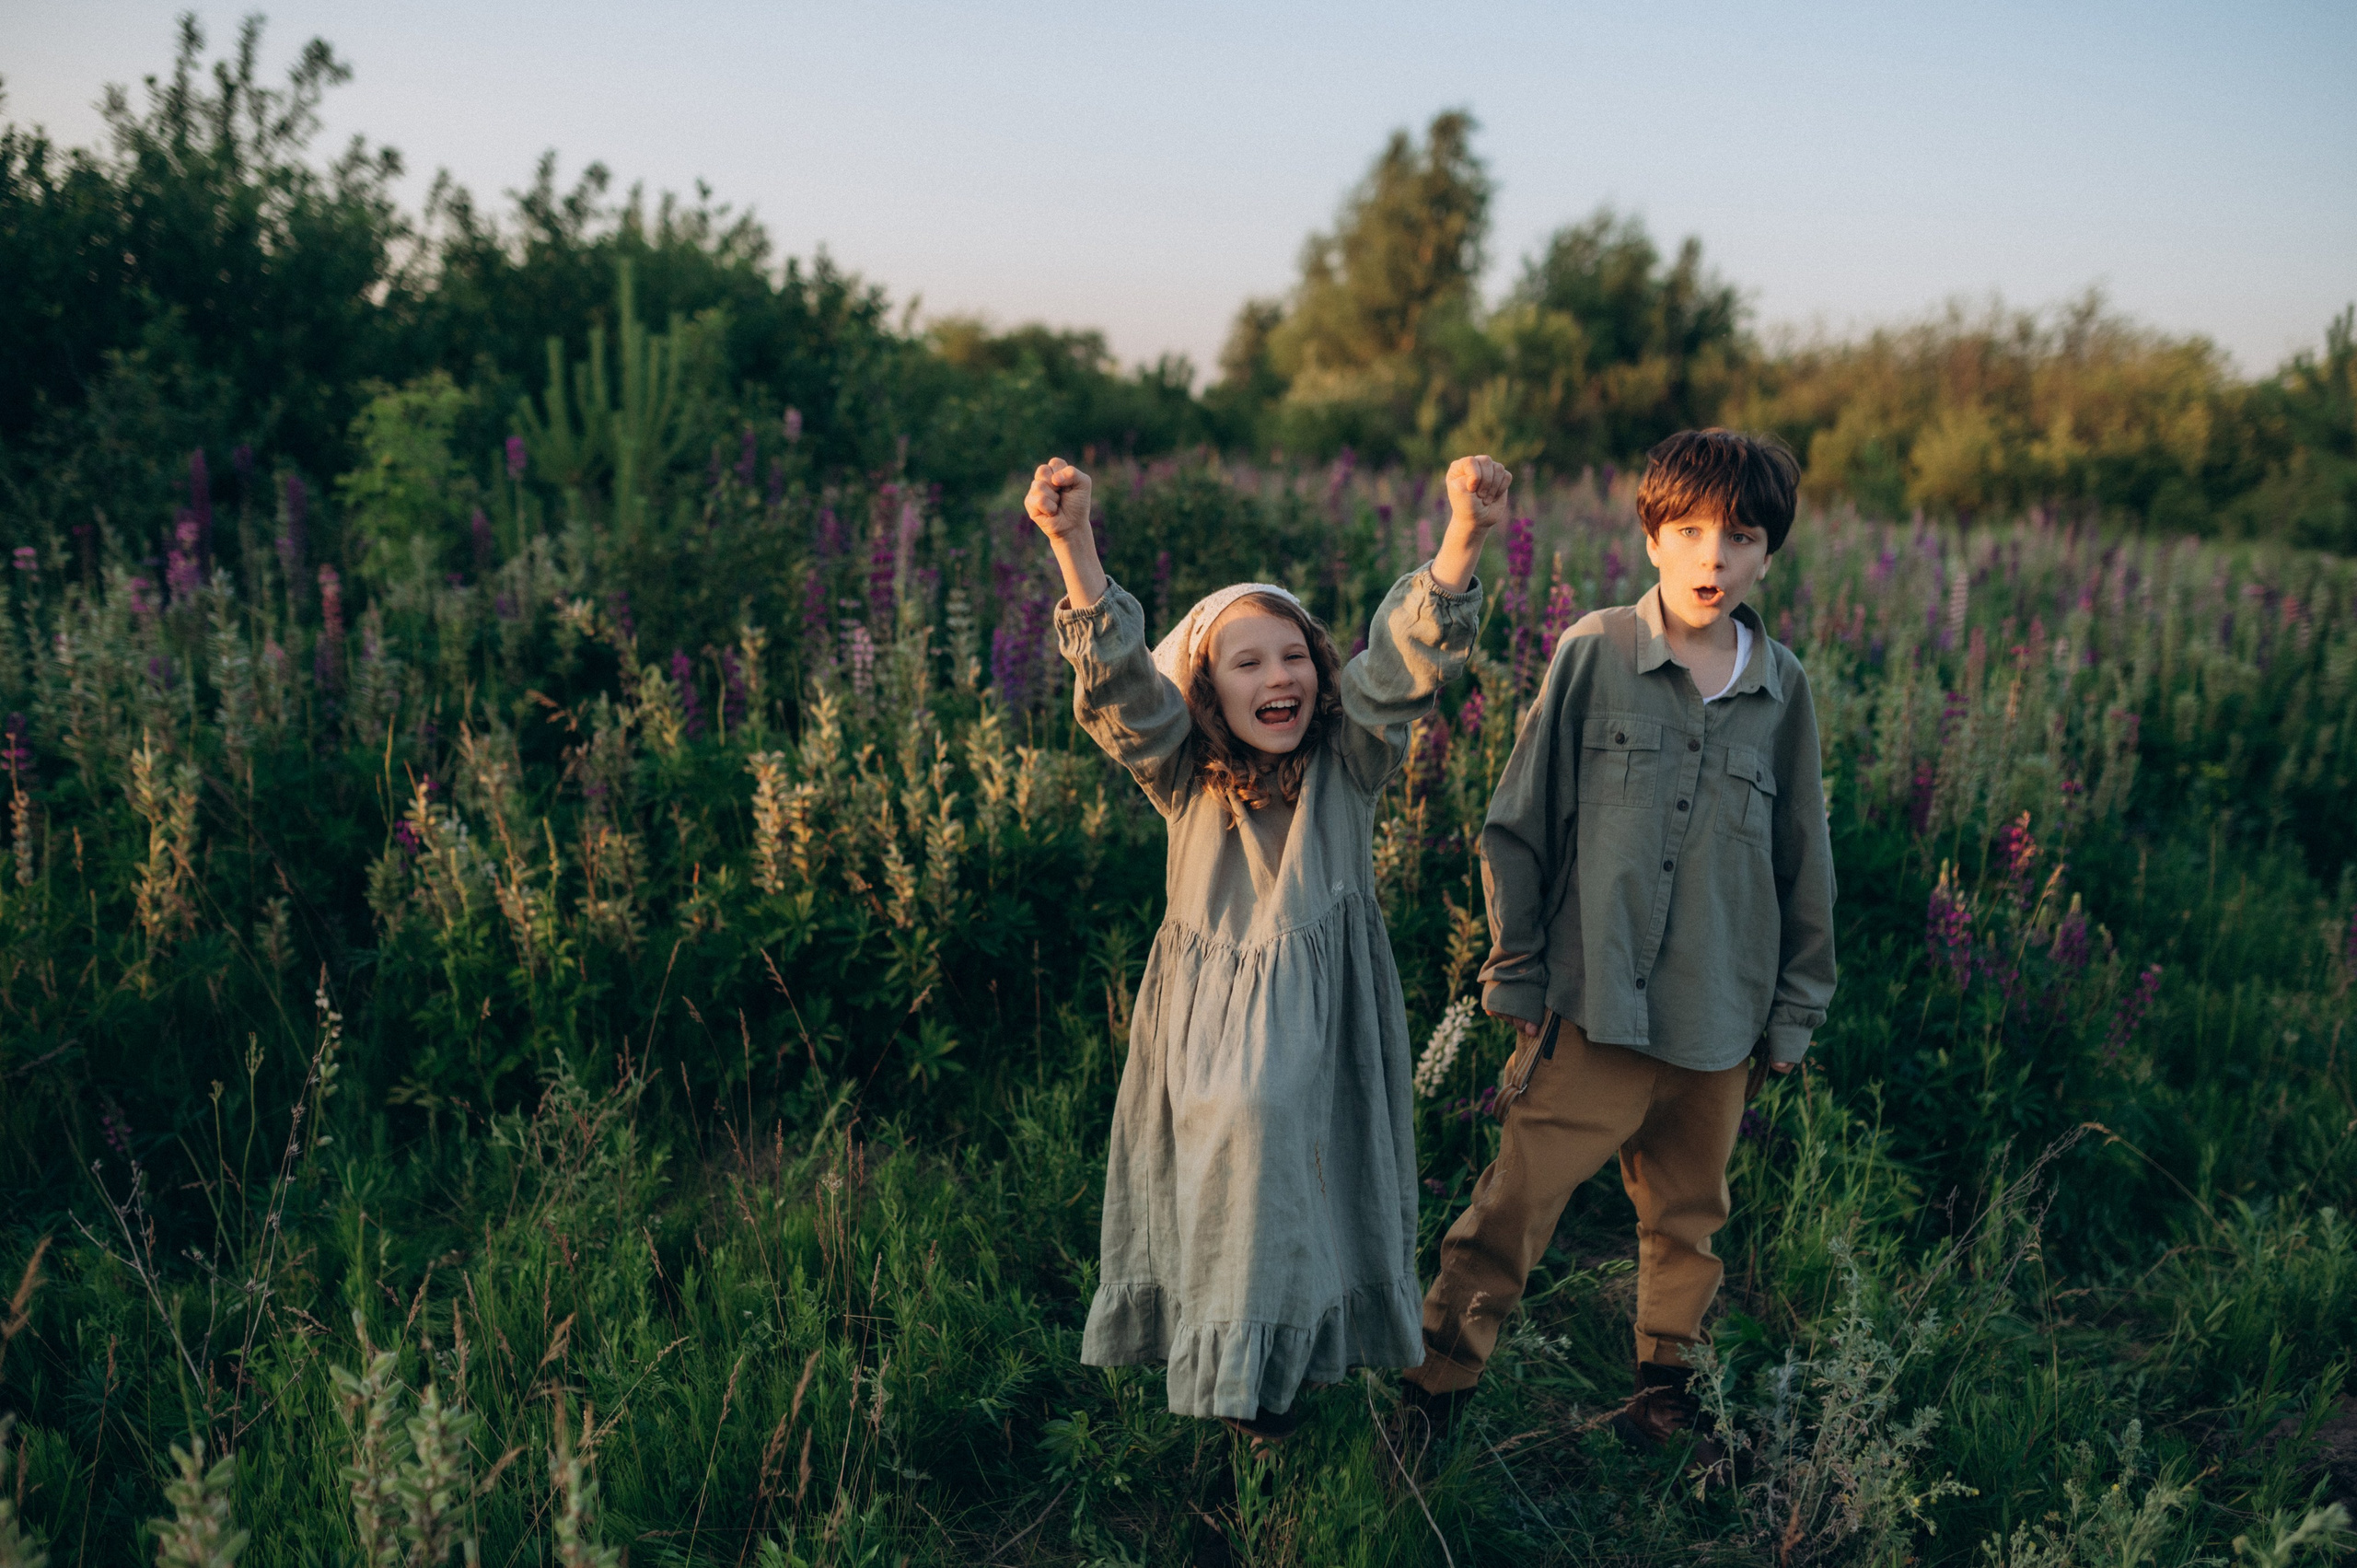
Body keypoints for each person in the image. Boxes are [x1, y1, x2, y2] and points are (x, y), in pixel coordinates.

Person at [1032, 453, 1504, 1439]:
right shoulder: (1182, 770)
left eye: (1294, 656)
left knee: (1311, 1189)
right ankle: (1245, 1394)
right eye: (1245, 663)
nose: (1278, 676)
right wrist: (1073, 541)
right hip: (1212, 1025)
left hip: (1328, 1020)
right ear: (1206, 689)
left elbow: (1403, 666)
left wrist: (1463, 532)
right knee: (1236, 1166)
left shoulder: (1348, 760)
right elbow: (1121, 686)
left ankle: (1289, 1367)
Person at [1402, 428, 1838, 1457]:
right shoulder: (1593, 650)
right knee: (1512, 1208)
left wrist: (1794, 1009)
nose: (1713, 557)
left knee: (1689, 1215)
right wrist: (1516, 972)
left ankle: (1665, 1391)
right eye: (1689, 532)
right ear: (1651, 538)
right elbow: (1519, 823)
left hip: (1719, 1015)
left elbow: (1804, 858)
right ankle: (1434, 1394)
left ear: (1769, 554)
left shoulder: (1783, 687)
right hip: (1589, 1004)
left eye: (1740, 537)